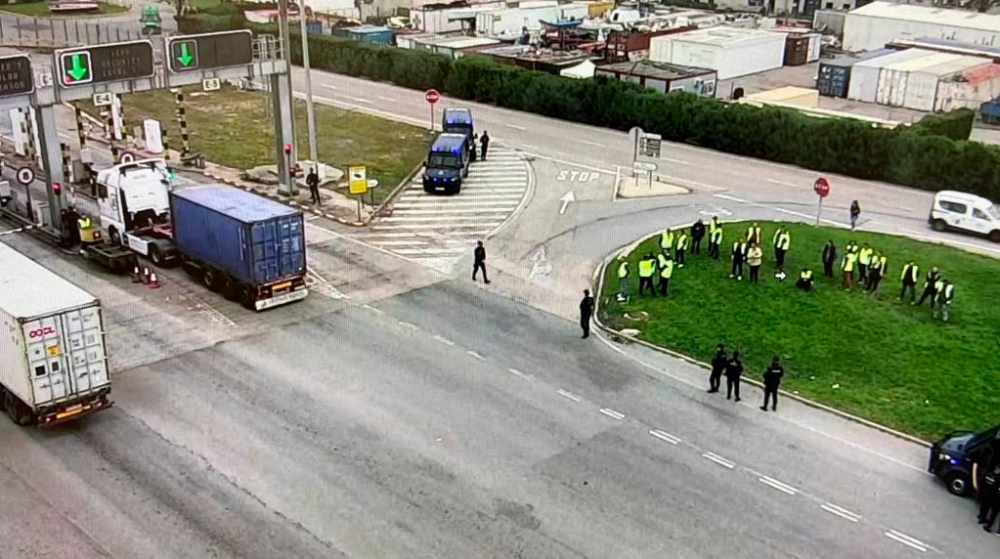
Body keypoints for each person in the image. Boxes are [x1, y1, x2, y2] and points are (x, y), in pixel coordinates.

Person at [979, 461, 1000, 532]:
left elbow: (982, 483)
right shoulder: (997, 479)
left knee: (985, 507)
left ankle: (982, 518)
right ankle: (989, 525)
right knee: (994, 513)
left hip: (987, 494)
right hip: (995, 497)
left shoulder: (988, 475)